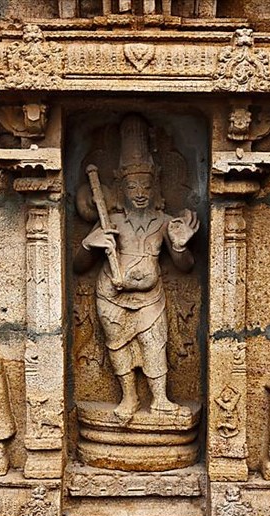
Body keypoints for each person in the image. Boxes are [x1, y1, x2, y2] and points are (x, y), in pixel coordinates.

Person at [74, 114, 199, 423]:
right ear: (122, 187)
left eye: (145, 185)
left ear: (154, 185)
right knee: (119, 345)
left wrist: (180, 246)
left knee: (154, 343)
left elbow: (186, 267)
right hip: (112, 294)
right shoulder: (110, 222)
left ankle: (160, 399)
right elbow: (79, 266)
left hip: (149, 297)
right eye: (132, 186)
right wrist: (89, 245)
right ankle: (128, 396)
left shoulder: (165, 222)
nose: (140, 192)